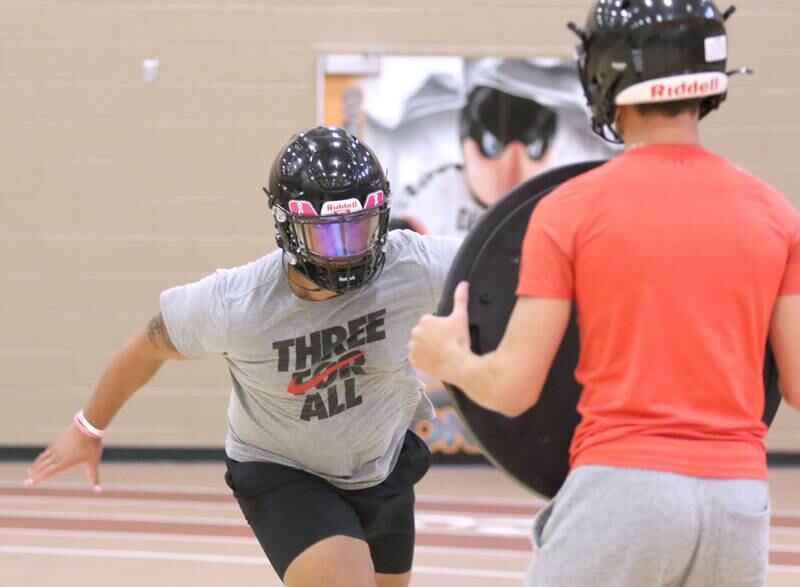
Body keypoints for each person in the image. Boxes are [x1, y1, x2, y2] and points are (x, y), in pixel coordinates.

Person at [408, 1, 800, 586]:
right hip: (738, 505)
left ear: (604, 72)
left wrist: (448, 359)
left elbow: (513, 390)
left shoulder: (570, 209)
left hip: (624, 492)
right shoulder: (776, 213)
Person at [25, 126, 461, 587]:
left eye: (360, 230)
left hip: (382, 464)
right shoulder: (237, 303)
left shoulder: (413, 267)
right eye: (328, 237)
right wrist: (88, 427)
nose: (347, 254)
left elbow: (508, 260)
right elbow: (147, 344)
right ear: (289, 230)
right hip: (283, 470)